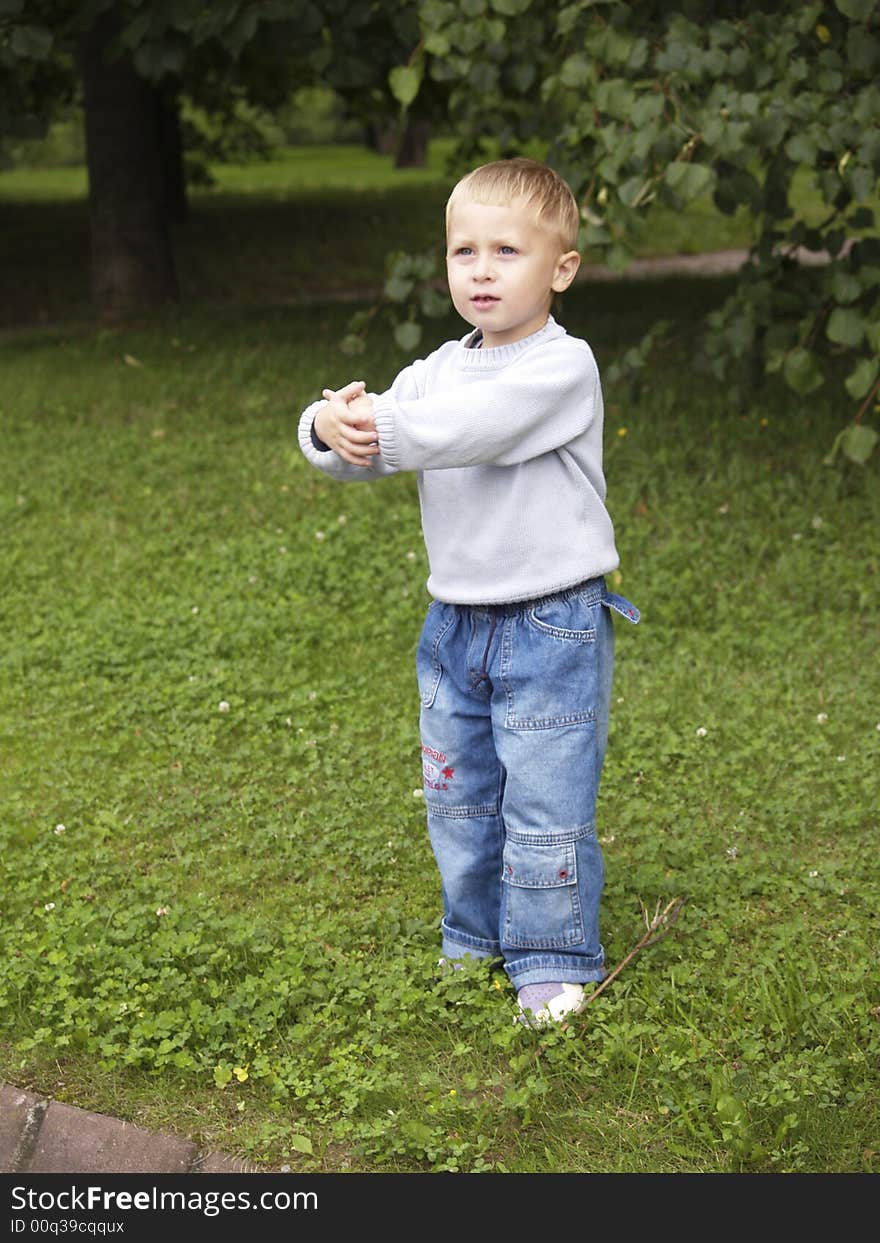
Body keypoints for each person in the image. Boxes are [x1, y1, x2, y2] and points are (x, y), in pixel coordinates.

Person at [297, 157, 639, 1026]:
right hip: (455, 623)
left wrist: (386, 424)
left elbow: (475, 430)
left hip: (550, 621)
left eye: (506, 251)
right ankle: (475, 934)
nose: (480, 270)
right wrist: (329, 424)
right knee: (460, 792)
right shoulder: (434, 373)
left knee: (544, 798)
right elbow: (367, 443)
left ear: (560, 267)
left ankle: (553, 958)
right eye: (463, 251)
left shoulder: (562, 368)